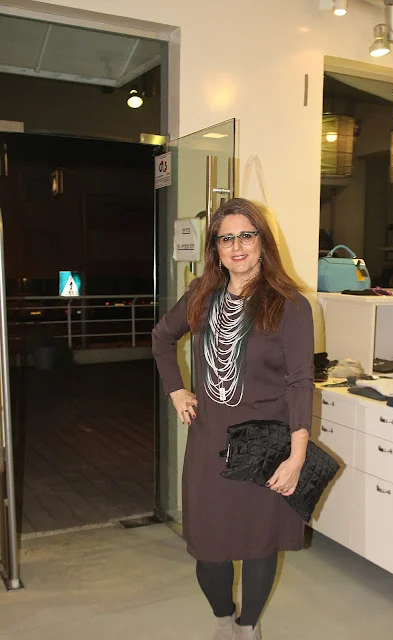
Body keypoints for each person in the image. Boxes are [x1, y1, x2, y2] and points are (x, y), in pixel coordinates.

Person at [152, 198, 314, 640]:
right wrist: (176, 390)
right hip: (209, 444)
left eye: (246, 235)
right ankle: (223, 618)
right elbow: (161, 339)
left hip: (267, 445)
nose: (237, 246)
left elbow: (300, 381)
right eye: (226, 239)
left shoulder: (289, 305)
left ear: (263, 242)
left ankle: (248, 626)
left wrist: (297, 456)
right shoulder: (200, 297)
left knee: (261, 544)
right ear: (216, 249)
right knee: (209, 549)